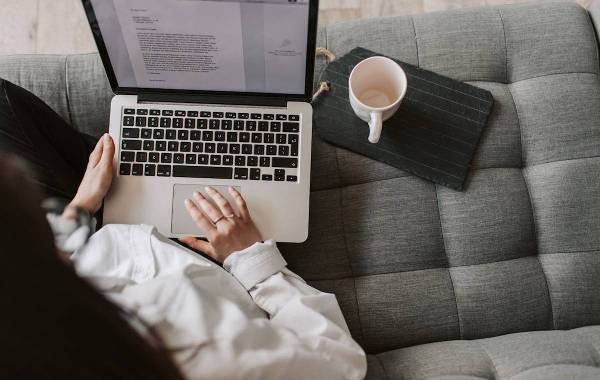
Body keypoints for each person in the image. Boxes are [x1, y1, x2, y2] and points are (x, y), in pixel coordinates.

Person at [0, 78, 367, 379]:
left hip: (95, 237)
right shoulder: (210, 354)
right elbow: (342, 364)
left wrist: (79, 209)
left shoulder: (26, 315)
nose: (52, 219)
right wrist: (251, 258)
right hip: (199, 253)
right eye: (45, 224)